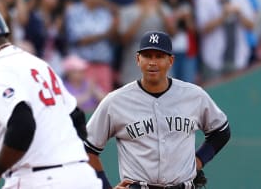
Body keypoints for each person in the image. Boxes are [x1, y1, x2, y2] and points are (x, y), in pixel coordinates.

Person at [0, 5, 101, 189]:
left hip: (39, 180)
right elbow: (76, 119)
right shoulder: (38, 64)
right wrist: (7, 154)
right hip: (82, 176)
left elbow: (22, 126)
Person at [84, 31, 231, 189]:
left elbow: (221, 131)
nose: (152, 62)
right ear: (138, 59)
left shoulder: (194, 95)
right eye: (147, 56)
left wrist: (200, 159)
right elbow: (87, 149)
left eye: (159, 56)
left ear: (171, 61)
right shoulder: (116, 101)